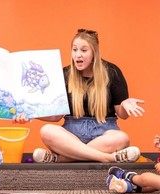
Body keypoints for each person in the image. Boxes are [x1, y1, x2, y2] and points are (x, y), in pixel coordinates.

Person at [14, 29, 145, 163]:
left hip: (104, 131)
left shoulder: (112, 72)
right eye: (75, 50)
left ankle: (62, 159)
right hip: (72, 134)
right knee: (46, 131)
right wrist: (31, 114)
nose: (78, 55)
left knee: (122, 138)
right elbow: (56, 116)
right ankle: (107, 158)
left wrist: (124, 104)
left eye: (83, 50)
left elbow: (122, 115)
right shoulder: (65, 74)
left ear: (94, 52)